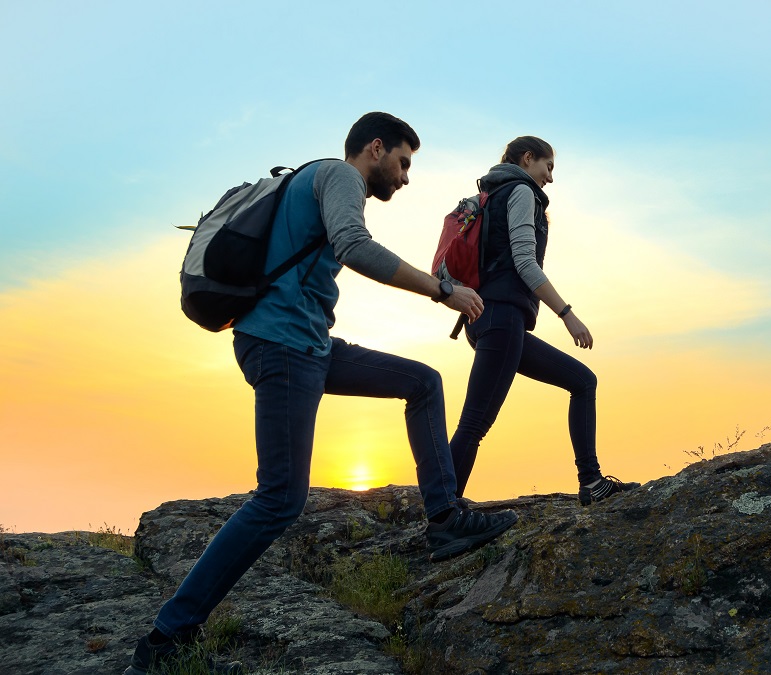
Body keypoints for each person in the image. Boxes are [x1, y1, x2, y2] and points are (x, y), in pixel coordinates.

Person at [126, 113, 517, 675]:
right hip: (282, 346)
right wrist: (442, 290)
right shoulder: (339, 176)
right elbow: (354, 246)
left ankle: (445, 519)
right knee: (281, 498)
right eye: (403, 162)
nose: (405, 177)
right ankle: (167, 636)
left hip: (307, 344)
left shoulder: (310, 180)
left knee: (423, 382)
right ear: (375, 148)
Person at [446, 136, 639, 506]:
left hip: (489, 321)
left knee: (583, 381)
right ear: (528, 158)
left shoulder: (490, 194)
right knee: (474, 424)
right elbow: (524, 261)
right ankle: (443, 515)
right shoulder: (519, 191)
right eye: (548, 167)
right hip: (501, 320)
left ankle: (592, 482)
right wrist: (568, 315)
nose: (550, 178)